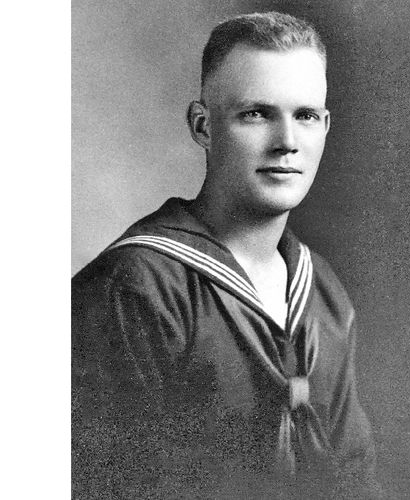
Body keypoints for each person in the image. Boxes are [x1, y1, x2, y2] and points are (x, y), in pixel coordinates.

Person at [72, 12, 383, 499]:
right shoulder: (134, 289)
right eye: (256, 114)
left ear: (325, 126)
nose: (287, 143)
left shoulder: (323, 291)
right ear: (203, 126)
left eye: (305, 116)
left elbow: (354, 481)